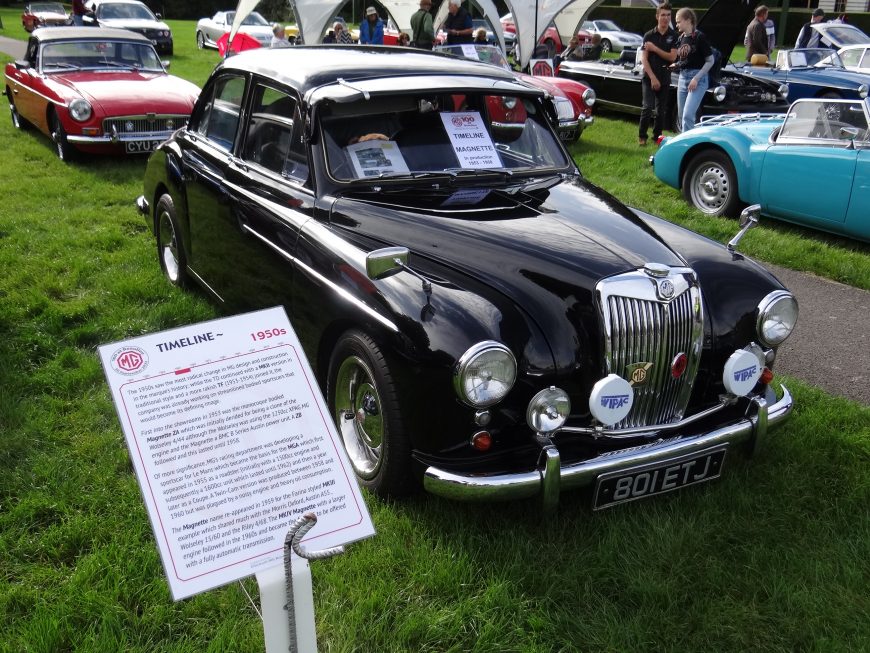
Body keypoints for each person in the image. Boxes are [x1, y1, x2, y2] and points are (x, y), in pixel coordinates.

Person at [639, 2, 677, 146]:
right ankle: (642, 136)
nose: (665, 18)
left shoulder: (673, 36)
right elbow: (644, 59)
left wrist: (654, 48)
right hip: (649, 77)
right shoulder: (649, 35)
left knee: (661, 111)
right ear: (657, 16)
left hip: (665, 76)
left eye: (668, 15)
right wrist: (653, 77)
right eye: (663, 15)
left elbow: (672, 57)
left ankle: (657, 138)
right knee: (647, 107)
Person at [673, 7, 714, 133]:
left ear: (688, 20)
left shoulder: (700, 37)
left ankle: (689, 146)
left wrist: (696, 78)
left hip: (698, 79)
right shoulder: (681, 38)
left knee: (687, 115)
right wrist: (675, 65)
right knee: (681, 117)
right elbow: (684, 60)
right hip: (682, 78)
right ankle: (684, 144)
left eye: (679, 21)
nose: (677, 24)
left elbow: (710, 60)